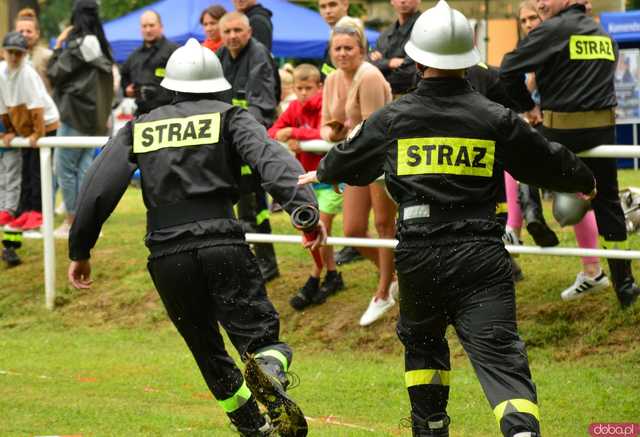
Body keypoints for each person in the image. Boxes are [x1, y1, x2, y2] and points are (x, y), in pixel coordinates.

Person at [299, 2, 597, 435]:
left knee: (423, 350)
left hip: (419, 254)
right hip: (483, 253)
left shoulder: (394, 118)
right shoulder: (495, 117)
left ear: (418, 59)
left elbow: (351, 156)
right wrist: (584, 180)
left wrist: (324, 171)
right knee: (500, 357)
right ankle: (521, 429)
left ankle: (431, 426)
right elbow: (544, 159)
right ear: (470, 58)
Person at [67, 38, 319, 437]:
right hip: (222, 243)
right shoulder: (231, 118)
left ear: (172, 86)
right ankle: (269, 371)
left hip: (167, 256)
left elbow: (98, 185)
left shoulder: (141, 127)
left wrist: (80, 248)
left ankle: (252, 427)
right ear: (217, 85)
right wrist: (304, 211)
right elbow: (272, 160)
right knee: (260, 339)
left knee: (206, 348)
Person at [500, 0, 639, 308]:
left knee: (519, 157)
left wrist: (529, 107)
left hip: (560, 134)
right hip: (603, 134)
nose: (540, 3)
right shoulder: (604, 35)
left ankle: (532, 217)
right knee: (608, 202)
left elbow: (507, 68)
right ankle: (625, 285)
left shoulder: (551, 31)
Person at [321, 16, 397, 326]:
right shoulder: (331, 79)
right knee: (352, 230)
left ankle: (383, 293)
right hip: (354, 160)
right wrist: (337, 136)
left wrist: (341, 142)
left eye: (348, 48)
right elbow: (329, 125)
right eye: (337, 48)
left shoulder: (369, 77)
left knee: (384, 225)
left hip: (378, 160)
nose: (342, 53)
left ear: (361, 50)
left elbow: (373, 130)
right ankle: (394, 275)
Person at [268, 63, 345, 309]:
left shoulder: (327, 105)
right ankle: (332, 275)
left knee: (322, 228)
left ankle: (315, 275)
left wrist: (296, 134)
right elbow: (273, 132)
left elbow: (328, 135)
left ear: (319, 87)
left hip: (329, 179)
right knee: (314, 230)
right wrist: (289, 134)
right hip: (305, 180)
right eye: (299, 88)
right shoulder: (293, 107)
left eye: (308, 88)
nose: (303, 93)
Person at [218, 11, 281, 282]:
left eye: (237, 31)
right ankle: (244, 260)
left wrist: (235, 128)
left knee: (254, 204)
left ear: (249, 32)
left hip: (251, 139)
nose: (232, 36)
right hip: (226, 141)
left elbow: (263, 104)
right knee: (231, 205)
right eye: (227, 31)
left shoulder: (258, 56)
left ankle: (267, 262)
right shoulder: (220, 57)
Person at [47, 0, 114, 239]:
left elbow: (53, 72)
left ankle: (72, 222)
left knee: (64, 168)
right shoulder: (102, 48)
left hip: (75, 116)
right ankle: (89, 222)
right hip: (95, 119)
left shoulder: (76, 46)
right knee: (84, 169)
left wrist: (59, 44)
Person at [1, 32, 59, 232]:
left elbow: (37, 107)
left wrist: (38, 134)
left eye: (19, 53)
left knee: (37, 170)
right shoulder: (1, 72)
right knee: (25, 170)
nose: (15, 57)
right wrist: (8, 131)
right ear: (3, 52)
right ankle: (24, 210)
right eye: (11, 53)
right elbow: (3, 107)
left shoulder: (28, 73)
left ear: (25, 54)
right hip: (24, 129)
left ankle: (37, 212)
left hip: (45, 125)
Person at [120, 10, 179, 116]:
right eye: (144, 26)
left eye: (152, 25)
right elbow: (123, 76)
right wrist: (127, 89)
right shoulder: (134, 56)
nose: (148, 30)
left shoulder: (174, 51)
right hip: (141, 114)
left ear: (161, 27)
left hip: (168, 113)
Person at [369, 0, 421, 98]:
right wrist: (390, 63)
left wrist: (381, 66)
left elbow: (412, 72)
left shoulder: (425, 29)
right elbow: (369, 62)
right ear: (391, 1)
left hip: (413, 98)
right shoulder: (386, 33)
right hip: (384, 97)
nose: (403, 1)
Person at [15, 9, 53, 93]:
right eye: (21, 31)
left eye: (29, 31)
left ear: (37, 34)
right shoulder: (9, 57)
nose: (24, 34)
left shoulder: (48, 56)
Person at [318, 0, 350, 79]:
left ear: (345, 5)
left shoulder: (352, 34)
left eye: (333, 5)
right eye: (323, 7)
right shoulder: (332, 36)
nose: (328, 11)